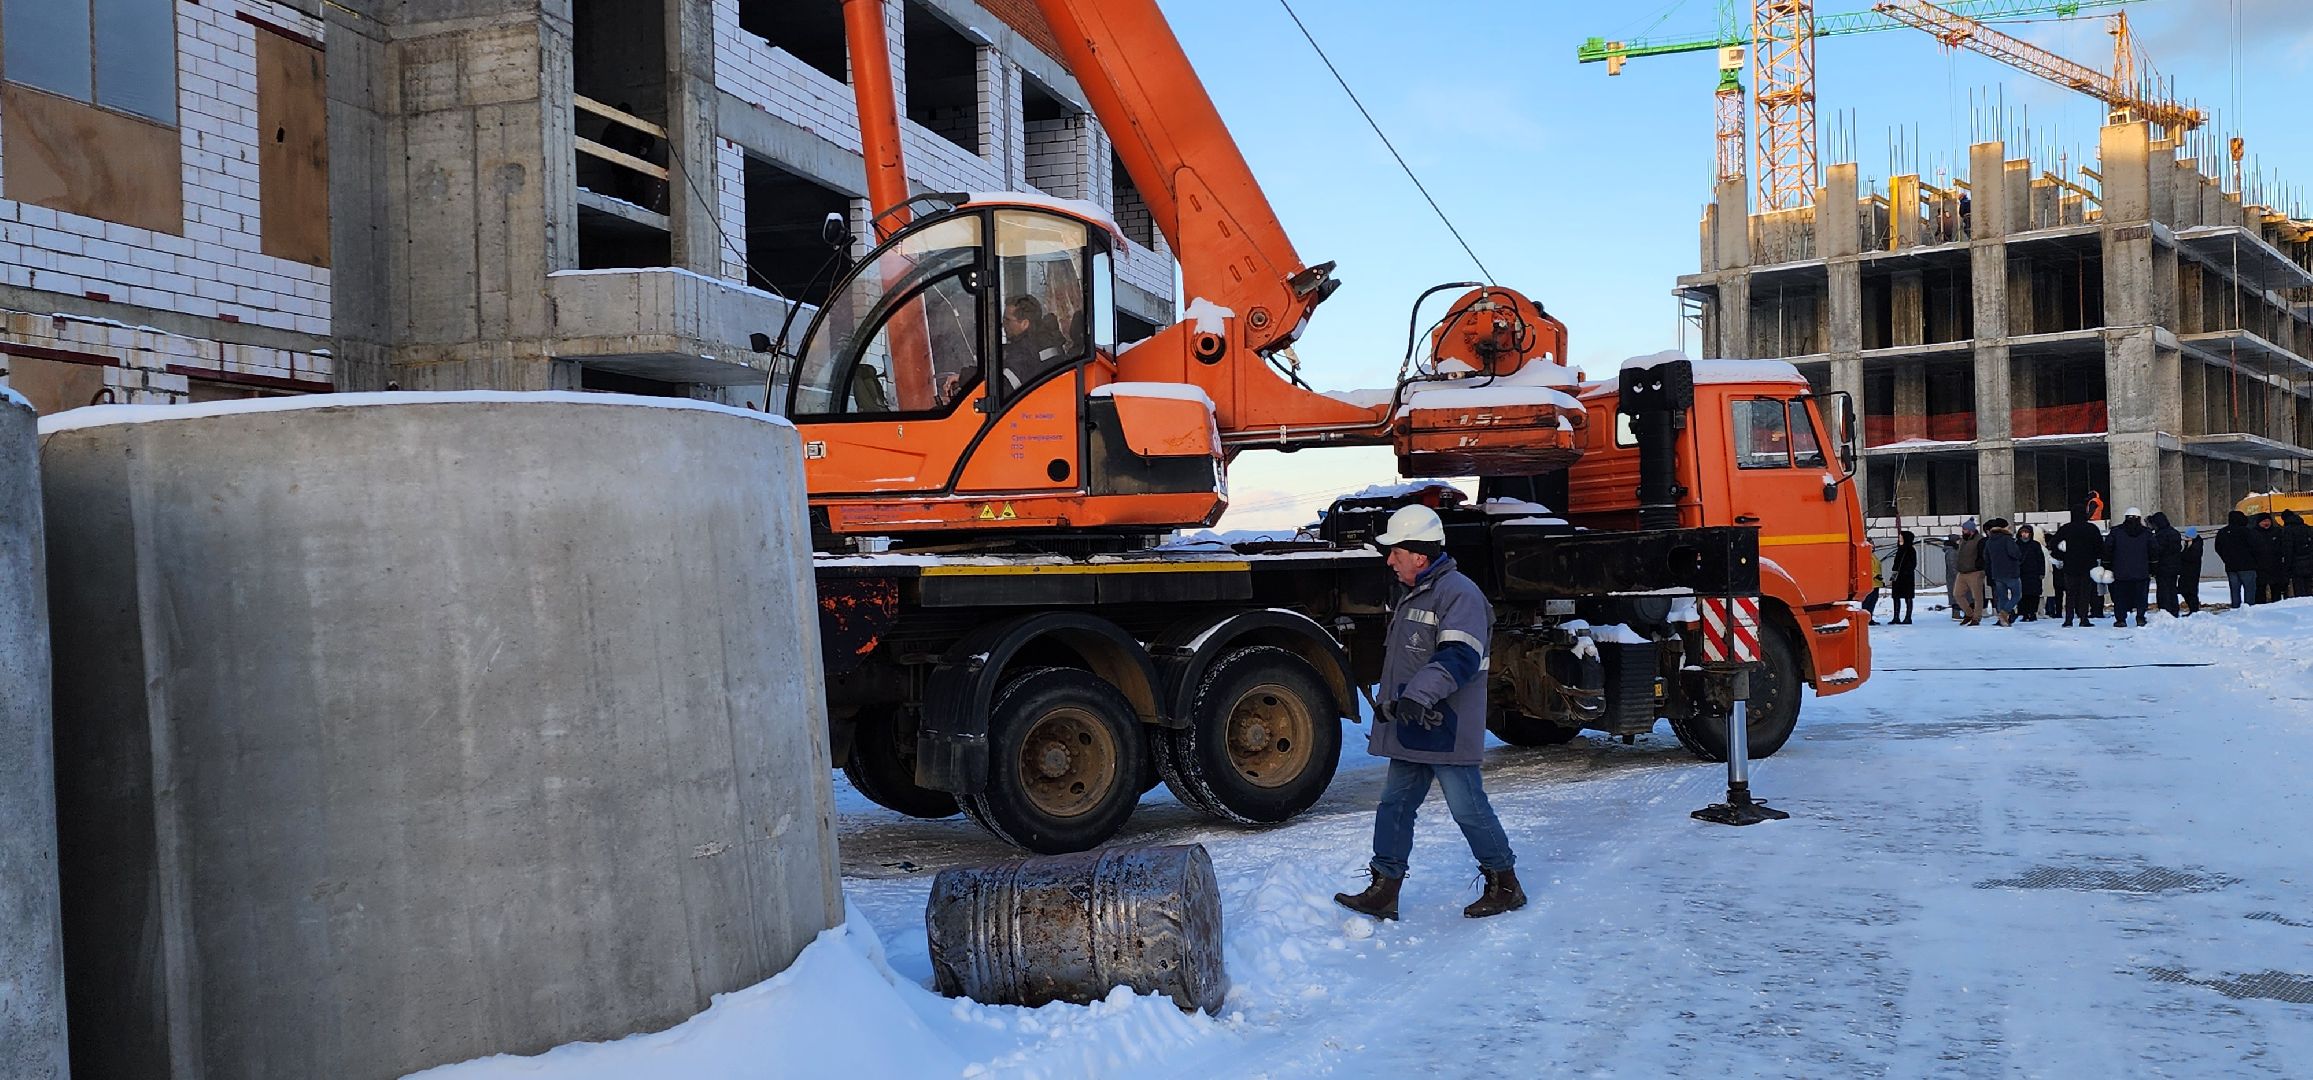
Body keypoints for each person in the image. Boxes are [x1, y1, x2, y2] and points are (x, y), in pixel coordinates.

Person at [1335, 504, 1524, 921]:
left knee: (1468, 807)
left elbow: (1459, 656)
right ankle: (1385, 889)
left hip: (1445, 725)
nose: (1389, 561)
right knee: (1395, 806)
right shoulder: (1416, 594)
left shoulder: (1459, 594)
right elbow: (1409, 660)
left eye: (1395, 552)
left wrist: (1418, 697)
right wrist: (1396, 703)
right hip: (1414, 723)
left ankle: (1506, 885)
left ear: (1419, 555)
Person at [2051, 501, 2104, 628]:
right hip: (2088, 565)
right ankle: (2083, 618)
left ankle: (2068, 619)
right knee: (2085, 593)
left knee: (2070, 593)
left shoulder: (2066, 528)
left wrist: (2062, 556)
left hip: (2070, 565)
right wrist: (2095, 556)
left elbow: (2053, 544)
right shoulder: (2092, 528)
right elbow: (2100, 547)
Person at [2105, 507, 2154, 627]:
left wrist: (2107, 565)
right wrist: (2152, 566)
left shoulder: (2116, 532)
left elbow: (2107, 549)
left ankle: (2121, 619)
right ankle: (2140, 617)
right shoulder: (2146, 532)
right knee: (2141, 596)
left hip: (2120, 571)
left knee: (2120, 597)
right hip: (2141, 571)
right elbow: (2154, 550)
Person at [1984, 518, 2023, 626]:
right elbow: (2014, 553)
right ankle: (2004, 613)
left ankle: (2003, 620)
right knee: (2017, 595)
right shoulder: (2007, 539)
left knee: (2002, 597)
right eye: (2008, 526)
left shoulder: (1989, 540)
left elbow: (1986, 557)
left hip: (1997, 573)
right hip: (2011, 572)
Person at [2217, 509, 2258, 608]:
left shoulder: (2223, 532)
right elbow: (2256, 547)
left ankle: (2235, 609)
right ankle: (2249, 610)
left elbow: (2218, 547)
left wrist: (2226, 559)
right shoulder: (2247, 531)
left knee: (2234, 590)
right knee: (2249, 591)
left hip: (2231, 566)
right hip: (2248, 565)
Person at [2149, 511, 2185, 617]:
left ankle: (2165, 611)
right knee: (2172, 589)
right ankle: (2174, 610)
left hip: (2162, 567)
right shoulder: (2175, 533)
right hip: (2174, 566)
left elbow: (2157, 551)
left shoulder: (2159, 536)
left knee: (2163, 590)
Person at [1952, 518, 1987, 626]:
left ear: (1971, 530)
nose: (1963, 531)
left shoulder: (1980, 540)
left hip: (1975, 572)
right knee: (1957, 594)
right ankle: (1969, 613)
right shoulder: (1963, 540)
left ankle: (1976, 617)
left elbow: (1983, 555)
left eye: (1965, 529)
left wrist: (1979, 566)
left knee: (1977, 596)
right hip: (1962, 572)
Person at [2252, 512, 2286, 604]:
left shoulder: (2277, 532)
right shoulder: (2254, 533)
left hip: (2275, 565)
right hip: (2259, 566)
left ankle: (2277, 605)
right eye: (2263, 521)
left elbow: (2282, 546)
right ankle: (2260, 606)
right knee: (2260, 588)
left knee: (2276, 588)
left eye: (2268, 521)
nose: (2266, 523)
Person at [2016, 524, 2046, 622]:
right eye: (2023, 532)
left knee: (2034, 595)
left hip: (2034, 574)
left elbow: (2041, 559)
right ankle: (2024, 614)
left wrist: (2042, 572)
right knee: (2022, 595)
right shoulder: (2017, 545)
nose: (2024, 534)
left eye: (2026, 532)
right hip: (2021, 574)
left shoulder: (2035, 545)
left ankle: (2033, 613)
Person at [1889, 531, 1918, 625]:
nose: (1899, 539)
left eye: (1901, 537)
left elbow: (1912, 564)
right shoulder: (1899, 549)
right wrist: (1893, 577)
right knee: (1896, 597)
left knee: (1908, 597)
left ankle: (1908, 617)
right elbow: (1896, 564)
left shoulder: (1910, 550)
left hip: (1907, 577)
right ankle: (1896, 617)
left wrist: (1906, 572)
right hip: (1897, 577)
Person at [2284, 509, 2313, 599]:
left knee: (2299, 589)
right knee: (2309, 587)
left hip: (2296, 564)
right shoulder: (2307, 528)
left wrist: (2287, 567)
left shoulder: (2288, 530)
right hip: (2309, 562)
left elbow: (2288, 549)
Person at [2179, 525, 2205, 615]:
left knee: (2191, 591)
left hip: (2192, 571)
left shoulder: (2196, 546)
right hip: (2186, 571)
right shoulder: (2190, 545)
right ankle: (2192, 609)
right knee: (2185, 590)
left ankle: (2194, 609)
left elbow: (2191, 557)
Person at [1863, 547, 1884, 624]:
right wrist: (1875, 575)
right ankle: (1866, 618)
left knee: (1873, 601)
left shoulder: (1873, 555)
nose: (1873, 546)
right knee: (1867, 601)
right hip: (1870, 582)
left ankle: (1870, 618)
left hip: (1876, 582)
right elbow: (1866, 568)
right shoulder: (1865, 556)